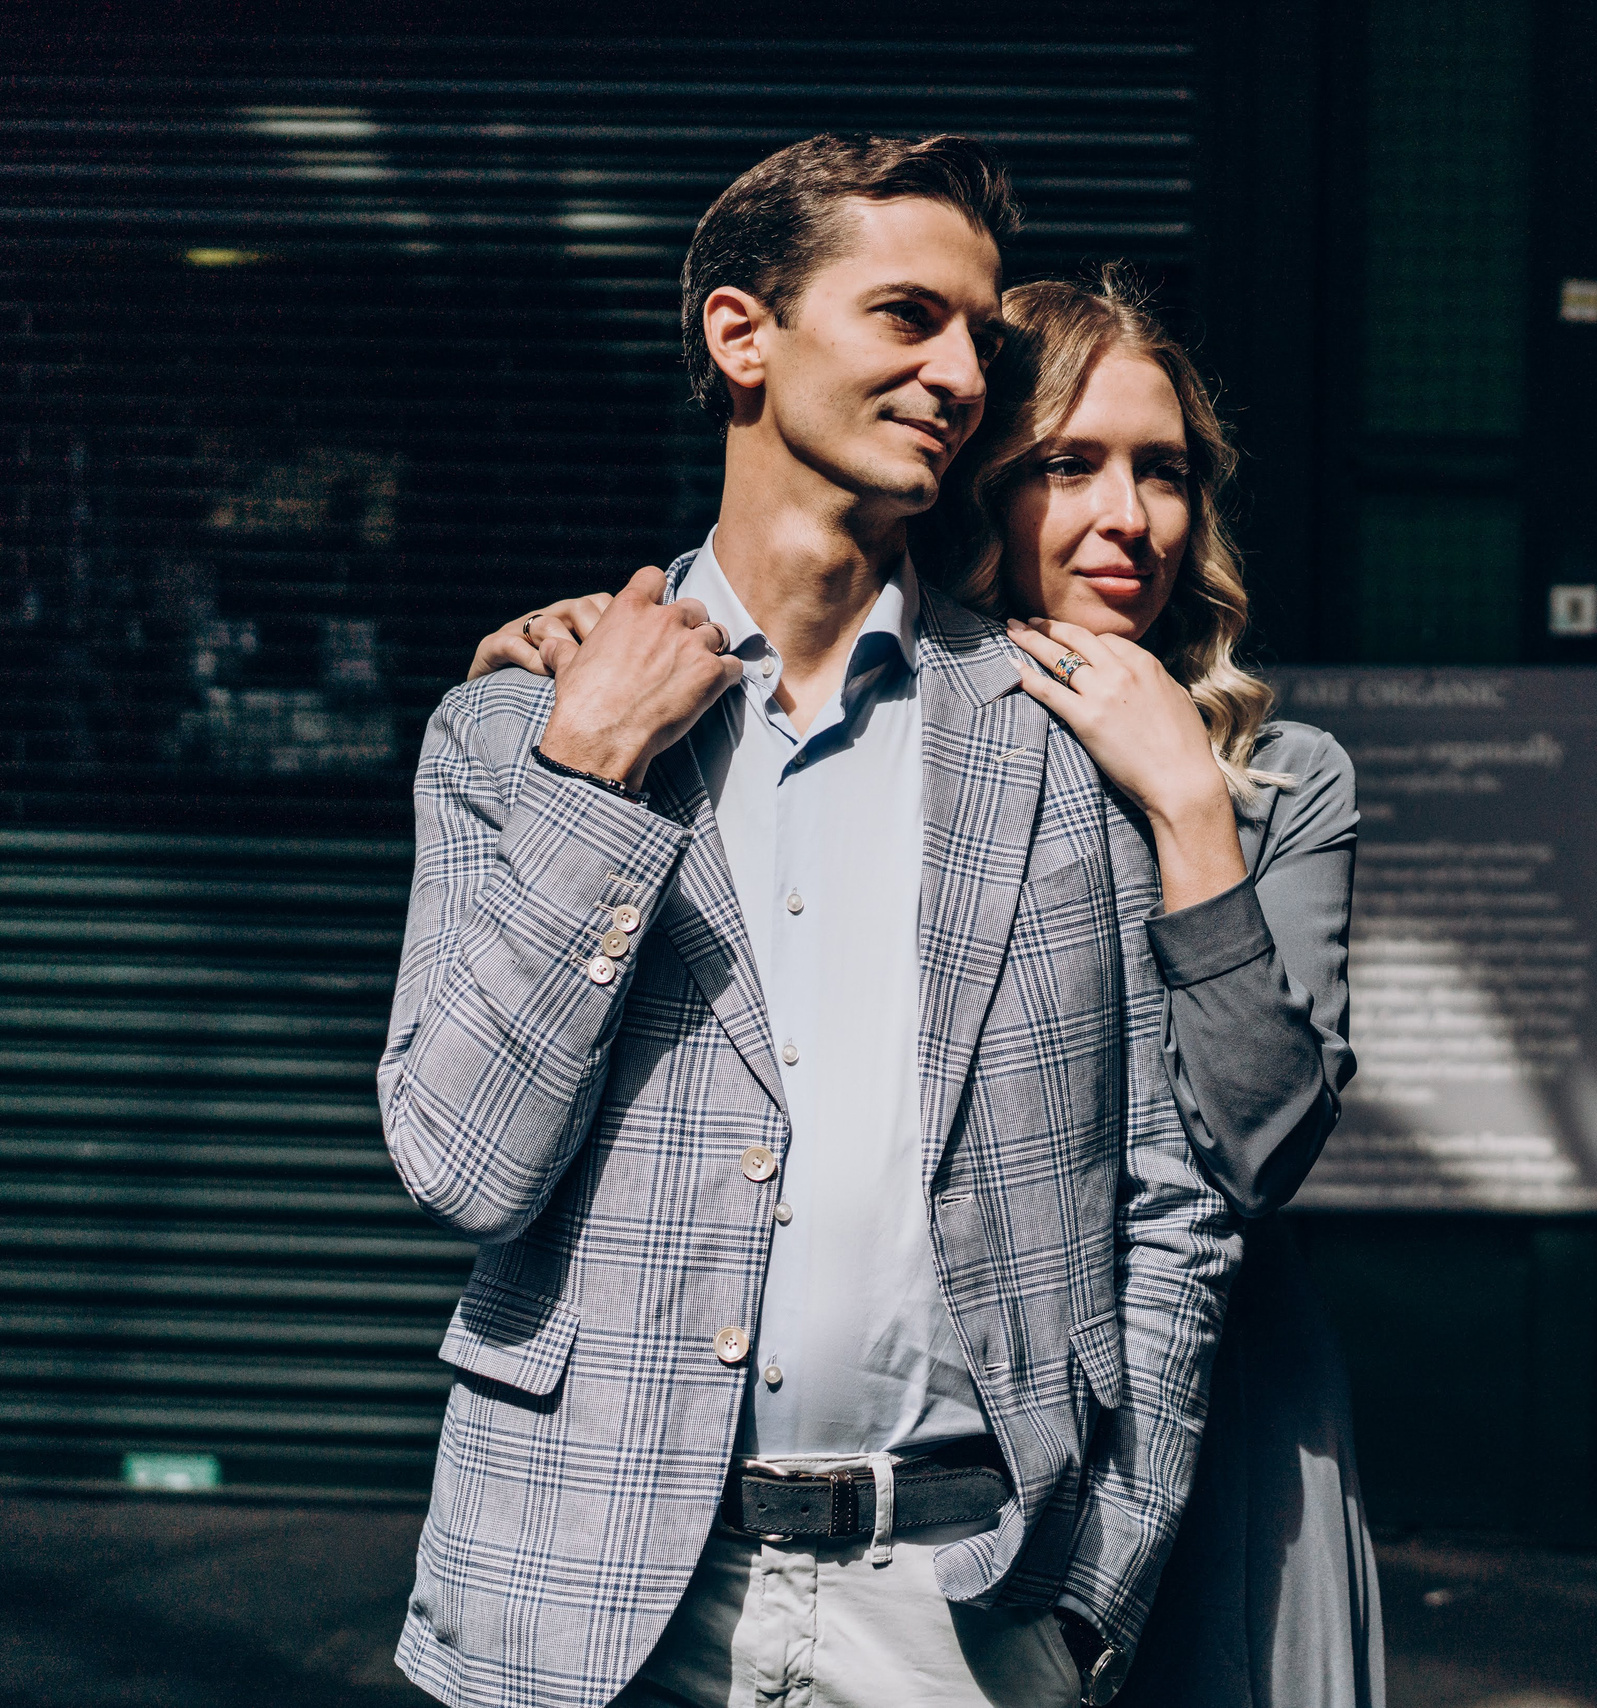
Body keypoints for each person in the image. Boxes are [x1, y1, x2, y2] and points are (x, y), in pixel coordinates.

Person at [381, 134, 1240, 1708]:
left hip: (963, 1609)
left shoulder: (1067, 733)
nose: (962, 371)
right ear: (742, 336)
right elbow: (458, 1163)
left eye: (980, 333)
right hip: (581, 1599)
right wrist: (591, 776)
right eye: (908, 316)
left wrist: (1100, 1586)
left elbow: (1170, 1199)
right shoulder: (518, 730)